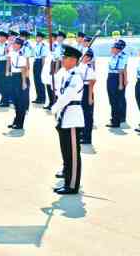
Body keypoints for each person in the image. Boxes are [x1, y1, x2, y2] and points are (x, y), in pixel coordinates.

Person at [50, 45, 85, 195]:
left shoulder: (76, 77)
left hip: (72, 117)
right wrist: (49, 62)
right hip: (63, 117)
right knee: (65, 152)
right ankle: (67, 177)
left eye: (65, 58)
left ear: (73, 60)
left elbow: (67, 96)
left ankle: (72, 185)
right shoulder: (64, 73)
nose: (62, 60)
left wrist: (55, 107)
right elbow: (47, 79)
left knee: (72, 154)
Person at [106, 40, 128, 128]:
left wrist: (120, 83)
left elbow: (120, 71)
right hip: (110, 77)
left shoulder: (121, 58)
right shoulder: (113, 57)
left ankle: (116, 120)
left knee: (116, 100)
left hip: (116, 78)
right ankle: (114, 118)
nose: (111, 49)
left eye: (113, 48)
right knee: (112, 99)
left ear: (118, 49)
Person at [8, 37, 29, 130]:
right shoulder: (12, 52)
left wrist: (24, 82)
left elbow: (23, 68)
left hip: (20, 77)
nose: (13, 45)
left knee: (21, 102)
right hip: (14, 76)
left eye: (15, 44)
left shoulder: (22, 54)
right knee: (15, 101)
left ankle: (20, 123)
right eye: (13, 43)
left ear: (19, 46)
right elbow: (9, 61)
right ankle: (16, 121)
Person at [79, 49, 96, 144]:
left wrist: (90, 97)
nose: (83, 57)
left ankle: (87, 137)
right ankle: (82, 132)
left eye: (85, 56)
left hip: (87, 91)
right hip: (81, 90)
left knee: (87, 115)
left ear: (88, 58)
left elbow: (91, 82)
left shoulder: (89, 68)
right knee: (81, 114)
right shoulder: (81, 66)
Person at [32, 32, 48, 105]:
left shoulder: (43, 46)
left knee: (40, 81)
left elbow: (43, 58)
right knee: (36, 81)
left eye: (38, 37)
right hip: (35, 62)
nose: (37, 38)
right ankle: (38, 97)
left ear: (41, 38)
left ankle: (42, 98)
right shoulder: (36, 45)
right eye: (36, 37)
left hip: (40, 63)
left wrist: (43, 68)